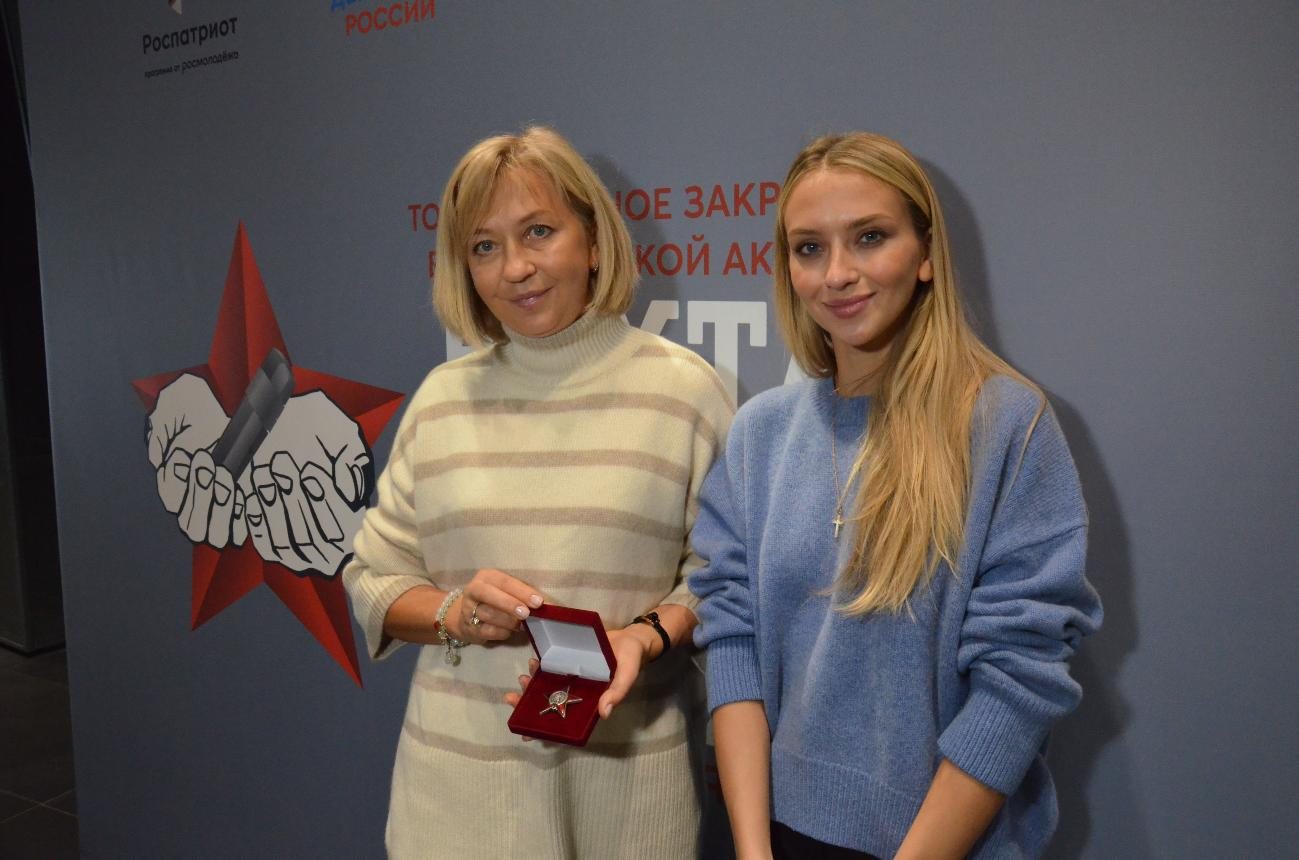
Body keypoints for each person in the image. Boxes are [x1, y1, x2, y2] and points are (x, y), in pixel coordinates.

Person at [688, 132, 1102, 860]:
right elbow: (733, 643)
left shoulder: (1006, 423)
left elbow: (1015, 686)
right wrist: (752, 852)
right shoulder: (761, 433)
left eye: (869, 238)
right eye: (809, 248)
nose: (837, 274)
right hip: (774, 837)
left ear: (926, 252)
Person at [342, 126, 733, 859]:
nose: (515, 268)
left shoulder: (685, 392)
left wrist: (643, 636)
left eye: (539, 232)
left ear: (594, 240)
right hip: (454, 805)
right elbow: (371, 579)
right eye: (484, 246)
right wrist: (458, 614)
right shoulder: (441, 399)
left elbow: (721, 580)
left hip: (627, 802)